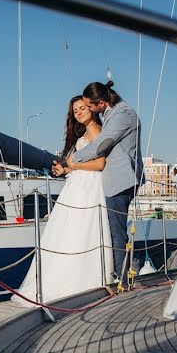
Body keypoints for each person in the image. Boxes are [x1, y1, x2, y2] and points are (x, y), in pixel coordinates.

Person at [13, 96, 113, 305]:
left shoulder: (94, 129)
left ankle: (78, 284)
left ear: (92, 108)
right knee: (72, 232)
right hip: (79, 185)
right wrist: (66, 169)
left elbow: (100, 164)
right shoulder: (87, 131)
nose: (78, 112)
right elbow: (87, 161)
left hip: (88, 187)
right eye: (75, 110)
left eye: (82, 108)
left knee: (79, 232)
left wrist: (73, 167)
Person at [67, 81, 143, 282]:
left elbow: (102, 143)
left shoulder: (122, 115)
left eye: (89, 106)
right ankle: (120, 274)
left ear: (101, 103)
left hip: (121, 179)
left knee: (117, 232)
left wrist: (74, 160)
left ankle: (122, 279)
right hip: (116, 179)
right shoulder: (111, 112)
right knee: (114, 230)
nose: (88, 110)